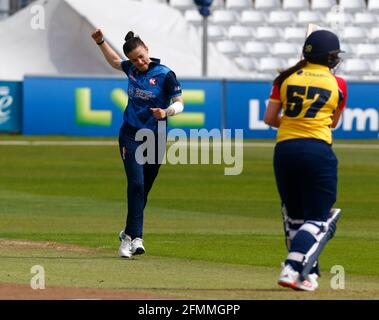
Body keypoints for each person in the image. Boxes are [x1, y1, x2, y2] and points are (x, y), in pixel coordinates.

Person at [264, 30, 347, 291]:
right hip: (317, 150)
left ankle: (307, 274)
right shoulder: (339, 84)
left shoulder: (286, 78)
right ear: (330, 57)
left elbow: (270, 118)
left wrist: (292, 123)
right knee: (321, 219)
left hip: (285, 149)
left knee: (296, 219)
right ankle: (292, 266)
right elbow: (333, 122)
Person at [91, 29, 184, 258]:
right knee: (136, 184)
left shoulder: (165, 74)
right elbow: (114, 61)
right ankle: (136, 238)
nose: (139, 62)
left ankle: (127, 234)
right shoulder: (131, 69)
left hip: (156, 136)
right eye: (134, 59)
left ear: (147, 50)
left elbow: (179, 102)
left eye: (141, 57)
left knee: (144, 189)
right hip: (131, 135)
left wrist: (167, 112)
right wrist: (101, 41)